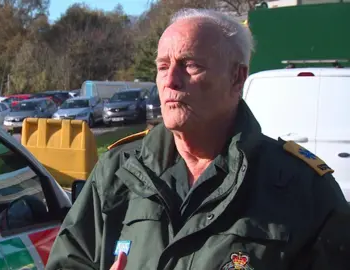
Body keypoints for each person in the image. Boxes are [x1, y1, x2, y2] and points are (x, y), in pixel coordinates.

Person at [46, 9, 350, 270]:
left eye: (190, 65)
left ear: (237, 78)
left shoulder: (304, 189)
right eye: (163, 66)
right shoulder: (117, 173)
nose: (170, 81)